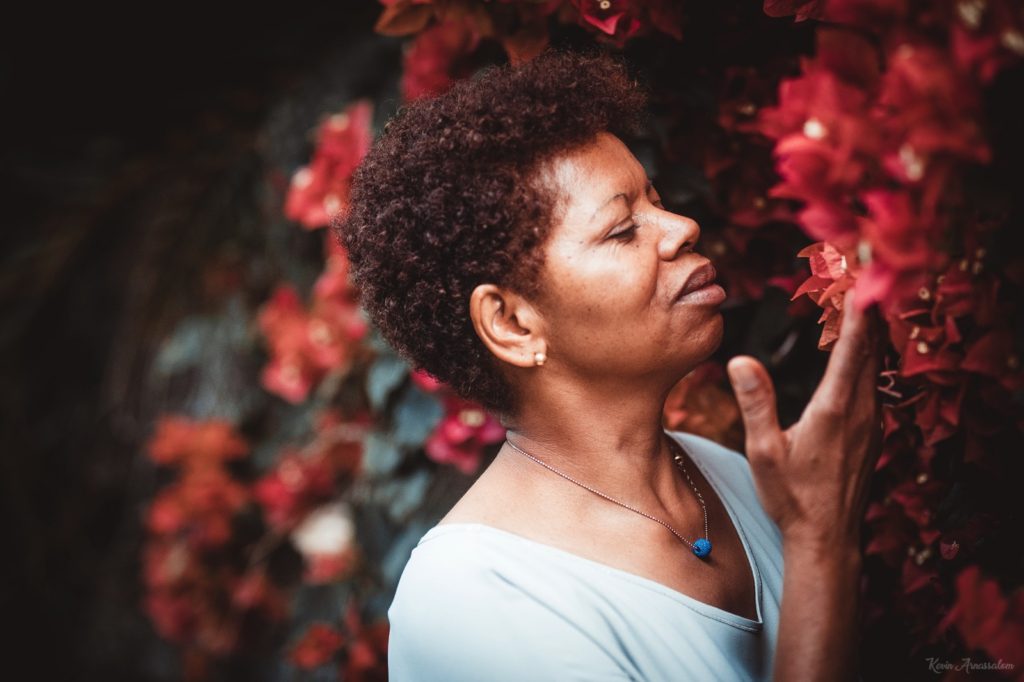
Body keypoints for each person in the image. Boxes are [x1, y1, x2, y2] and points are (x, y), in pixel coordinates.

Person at [339, 50, 880, 681]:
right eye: (622, 230)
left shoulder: (732, 478)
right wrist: (821, 545)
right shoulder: (474, 601)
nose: (683, 227)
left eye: (658, 200)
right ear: (512, 324)